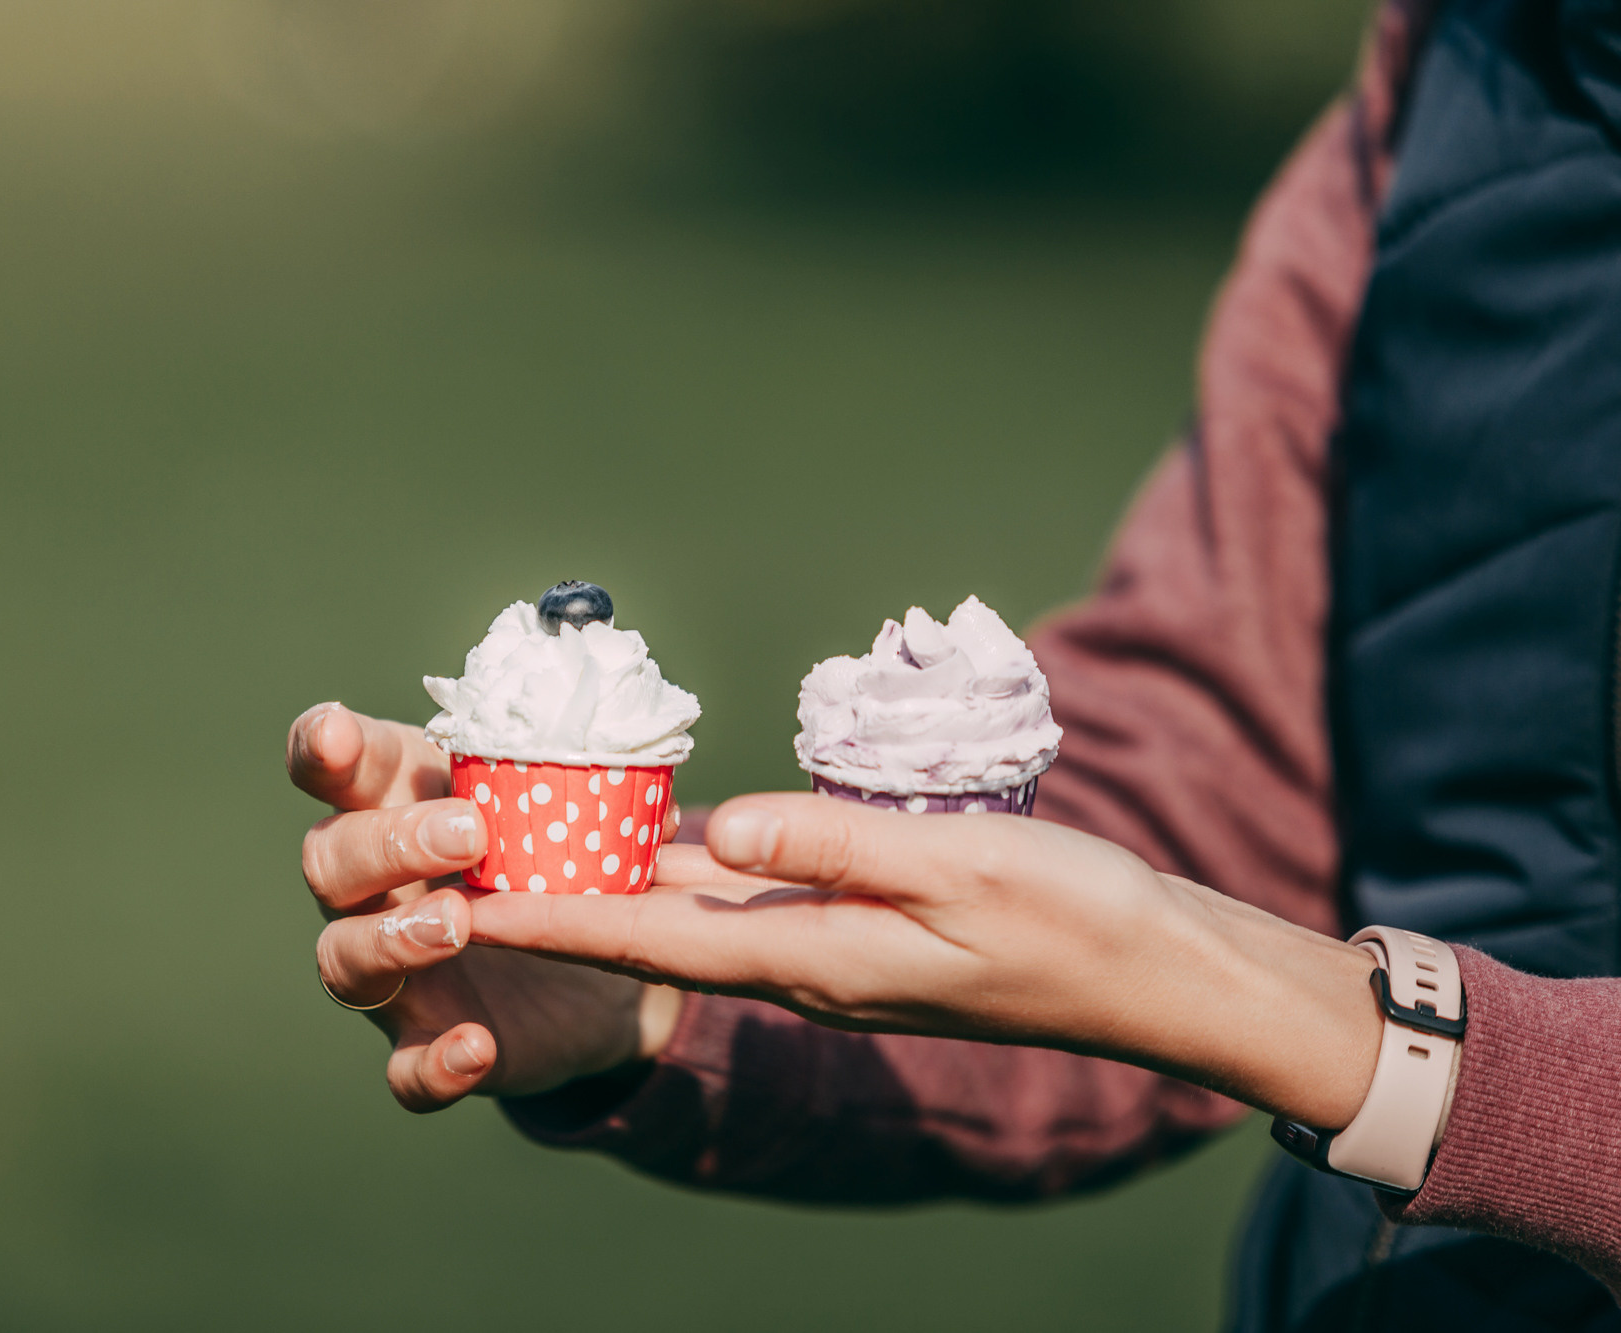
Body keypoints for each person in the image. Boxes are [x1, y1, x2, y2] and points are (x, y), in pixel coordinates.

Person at [291, 0, 1621, 1326]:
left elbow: (1207, 953)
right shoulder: (1471, 48)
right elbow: (1216, 778)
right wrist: (655, 988)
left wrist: (1382, 1055)